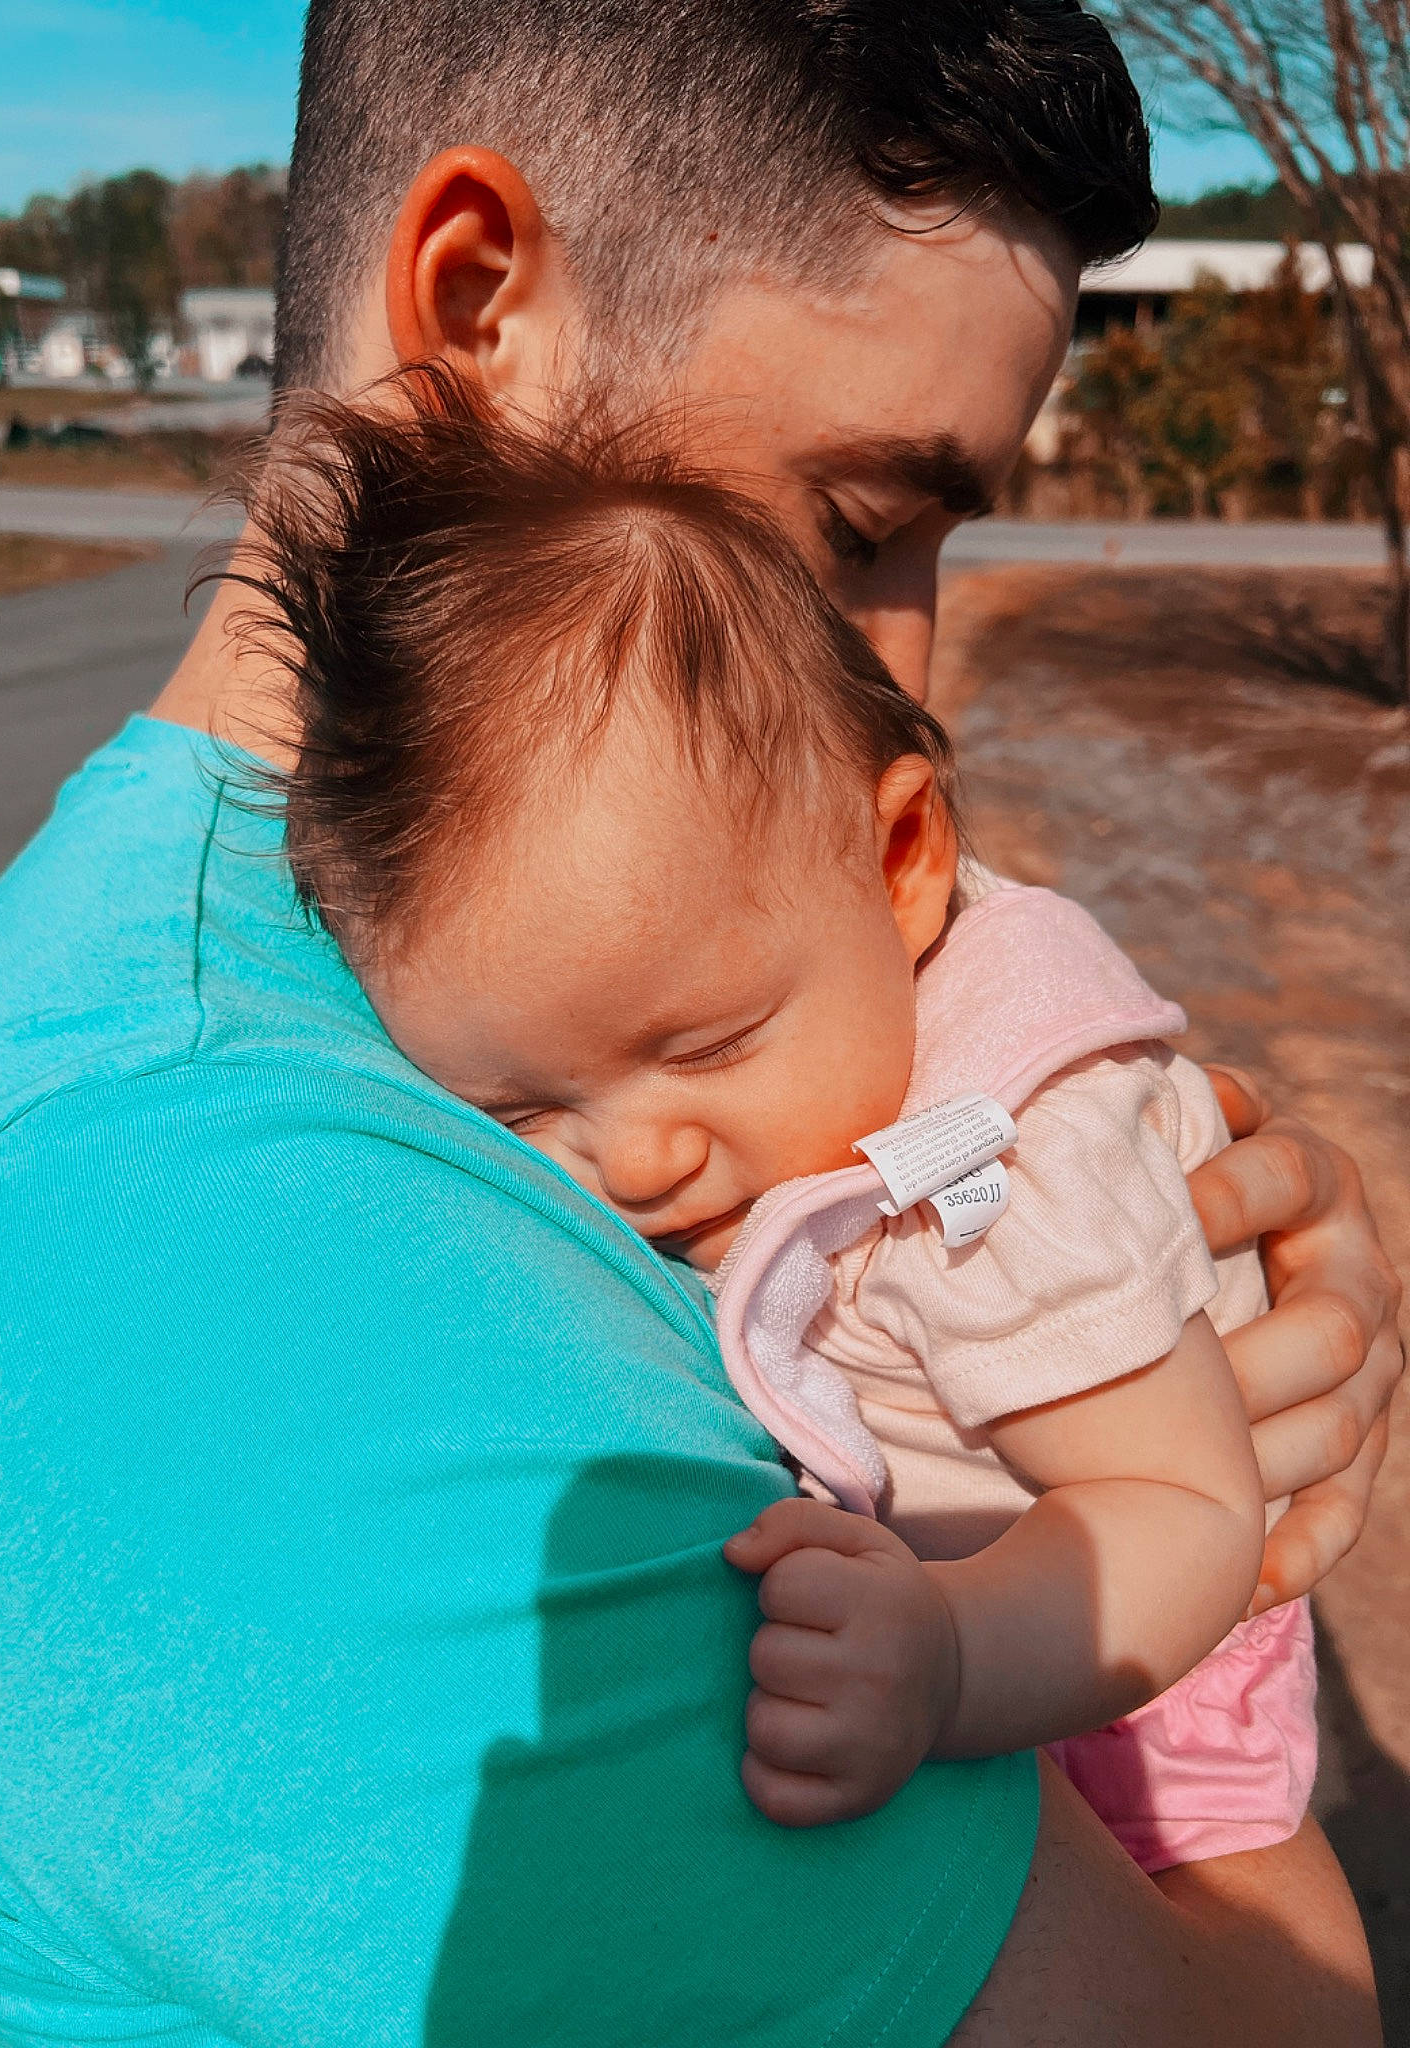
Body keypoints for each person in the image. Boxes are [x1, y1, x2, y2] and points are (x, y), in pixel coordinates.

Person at [0, 4, 1395, 2043]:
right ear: (476, 311)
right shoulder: (203, 1247)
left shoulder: (458, 975)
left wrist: (1180, 1269)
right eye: (858, 526)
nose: (916, 659)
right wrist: (1211, 1643)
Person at [229, 369, 1310, 1866]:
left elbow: (1184, 1508)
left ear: (903, 861)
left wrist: (945, 1656)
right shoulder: (772, 1003)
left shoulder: (1004, 1171)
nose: (639, 1159)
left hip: (1130, 1702)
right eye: (522, 1106)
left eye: (712, 1044)